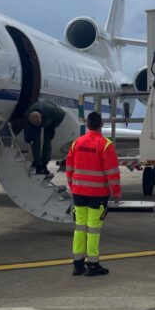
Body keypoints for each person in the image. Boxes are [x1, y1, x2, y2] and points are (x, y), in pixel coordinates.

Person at [66, 111, 122, 277]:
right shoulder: (105, 145)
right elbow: (112, 172)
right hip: (98, 194)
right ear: (101, 125)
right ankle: (93, 264)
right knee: (93, 229)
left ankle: (77, 264)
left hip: (79, 193)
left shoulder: (77, 143)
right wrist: (116, 192)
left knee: (80, 227)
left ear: (87, 124)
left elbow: (69, 168)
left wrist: (72, 185)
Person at [23, 100, 67, 175]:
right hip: (39, 118)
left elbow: (62, 115)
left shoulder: (54, 112)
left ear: (41, 118)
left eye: (39, 123)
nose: (38, 126)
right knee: (35, 141)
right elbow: (27, 134)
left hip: (49, 120)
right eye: (36, 124)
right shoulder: (27, 117)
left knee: (47, 141)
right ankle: (38, 164)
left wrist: (53, 125)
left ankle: (44, 164)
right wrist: (28, 139)